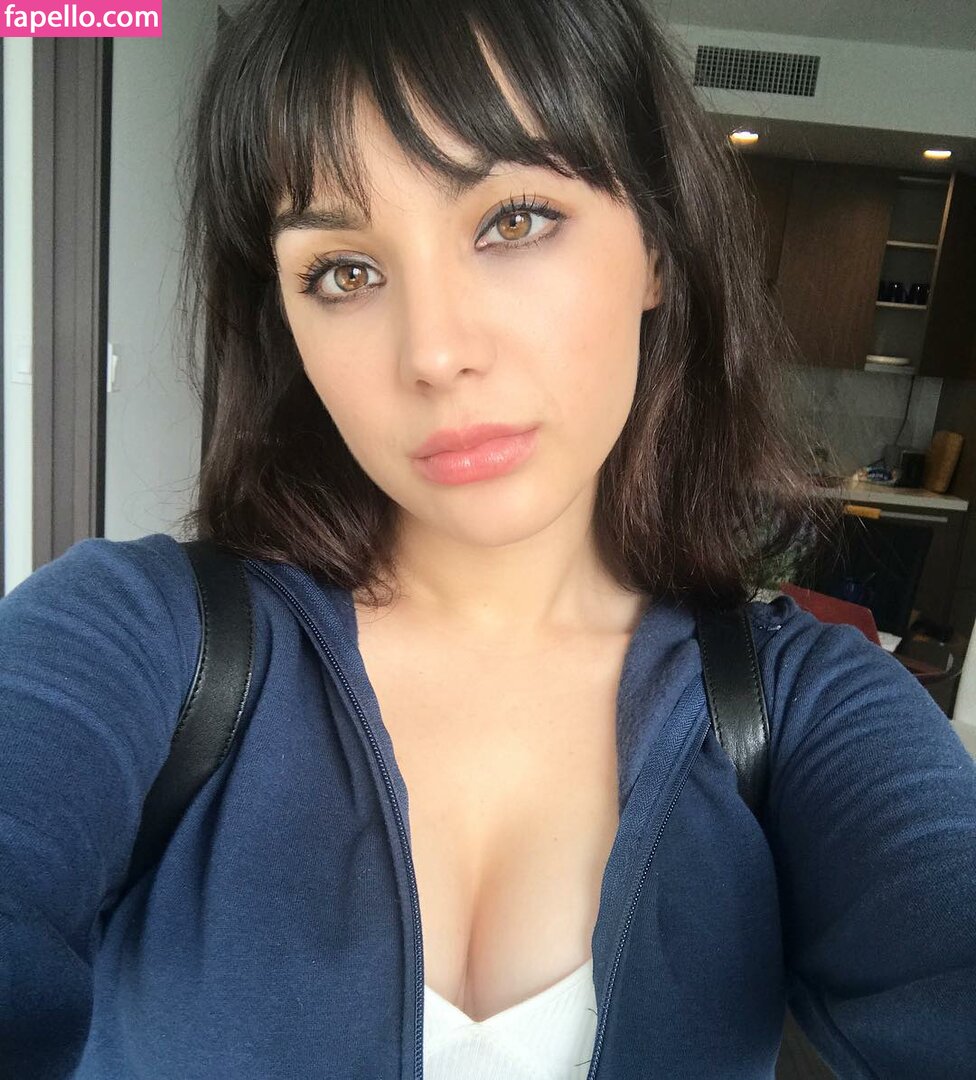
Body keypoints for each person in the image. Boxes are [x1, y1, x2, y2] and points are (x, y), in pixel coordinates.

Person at [2, 0, 974, 1077]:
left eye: (513, 220)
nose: (434, 352)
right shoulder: (134, 639)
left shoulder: (799, 711)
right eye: (345, 271)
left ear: (657, 247)